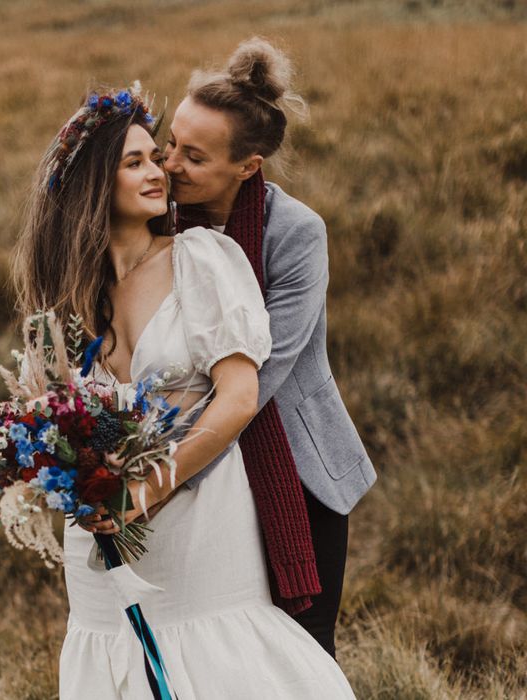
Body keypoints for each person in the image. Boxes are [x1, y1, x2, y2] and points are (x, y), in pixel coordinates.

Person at [11, 84, 355, 698]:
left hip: (205, 513)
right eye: (139, 159)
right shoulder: (66, 296)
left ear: (245, 167)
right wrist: (64, 468)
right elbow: (49, 408)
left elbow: (244, 394)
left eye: (167, 156)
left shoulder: (205, 257)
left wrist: (142, 492)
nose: (163, 170)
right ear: (93, 183)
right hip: (99, 531)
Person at [163, 37, 377, 658]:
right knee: (215, 648)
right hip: (203, 464)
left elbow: (263, 368)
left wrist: (152, 449)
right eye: (169, 142)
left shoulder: (297, 233)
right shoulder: (160, 221)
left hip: (296, 467)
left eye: (193, 156)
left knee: (303, 649)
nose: (170, 164)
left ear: (247, 166)